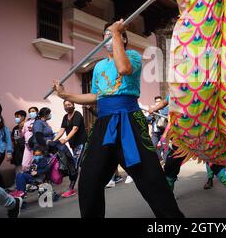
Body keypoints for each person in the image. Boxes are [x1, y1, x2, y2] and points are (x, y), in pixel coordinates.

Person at [52, 20, 184, 218]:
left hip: (130, 120)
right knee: (89, 179)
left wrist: (115, 34)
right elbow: (95, 96)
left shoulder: (132, 56)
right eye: (106, 34)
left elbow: (123, 69)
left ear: (123, 38)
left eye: (113, 33)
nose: (109, 36)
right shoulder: (99, 67)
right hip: (103, 124)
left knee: (151, 178)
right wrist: (65, 96)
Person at [54, 100, 87, 198]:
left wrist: (66, 139)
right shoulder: (65, 117)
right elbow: (61, 130)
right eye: (66, 105)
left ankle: (71, 189)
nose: (67, 106)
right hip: (73, 145)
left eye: (69, 105)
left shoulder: (77, 114)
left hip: (81, 143)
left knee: (75, 166)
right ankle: (95, 180)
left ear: (73, 105)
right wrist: (53, 141)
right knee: (83, 164)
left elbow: (75, 129)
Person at [148, 96, 169, 162]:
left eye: (159, 101)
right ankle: (159, 159)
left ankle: (166, 161)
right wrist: (152, 116)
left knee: (165, 147)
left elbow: (167, 116)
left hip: (163, 131)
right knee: (153, 146)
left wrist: (158, 111)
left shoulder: (165, 109)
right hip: (155, 132)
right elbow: (148, 120)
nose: (158, 103)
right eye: (156, 102)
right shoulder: (152, 109)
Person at [21, 107, 38, 172]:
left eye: (33, 111)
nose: (31, 113)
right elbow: (21, 135)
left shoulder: (38, 121)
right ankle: (26, 177)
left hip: (35, 145)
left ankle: (33, 179)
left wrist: (33, 129)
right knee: (24, 165)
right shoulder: (26, 123)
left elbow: (41, 132)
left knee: (34, 162)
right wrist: (20, 129)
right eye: (30, 112)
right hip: (26, 145)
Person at [0, 116, 13, 188]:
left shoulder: (4, 129)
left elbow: (9, 141)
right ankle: (2, 188)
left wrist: (9, 152)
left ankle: (2, 188)